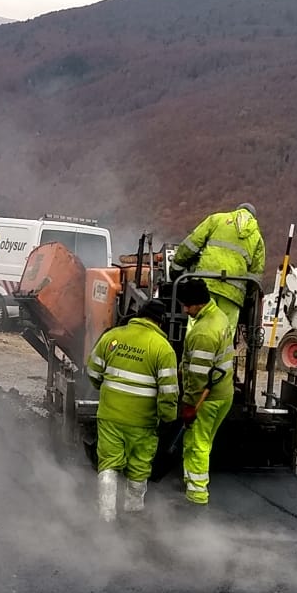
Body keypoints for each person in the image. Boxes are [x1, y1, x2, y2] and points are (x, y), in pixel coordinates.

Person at [85, 296, 179, 522]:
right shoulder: (163, 349)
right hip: (143, 422)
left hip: (110, 416)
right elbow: (169, 393)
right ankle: (133, 514)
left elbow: (93, 372)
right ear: (160, 322)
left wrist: (104, 389)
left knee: (109, 462)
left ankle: (106, 516)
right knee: (138, 466)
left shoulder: (113, 337)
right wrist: (168, 418)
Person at [174, 273, 234, 506]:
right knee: (202, 440)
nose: (185, 310)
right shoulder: (219, 316)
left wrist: (189, 405)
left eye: (187, 306)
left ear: (198, 303)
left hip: (207, 399)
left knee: (198, 443)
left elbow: (199, 376)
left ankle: (197, 494)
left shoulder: (203, 333)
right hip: (223, 393)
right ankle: (190, 480)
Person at [170, 202, 265, 334]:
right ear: (253, 218)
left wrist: (175, 268)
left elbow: (191, 245)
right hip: (232, 294)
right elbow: (256, 274)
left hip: (204, 286)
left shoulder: (217, 220)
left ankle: (193, 354)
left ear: (236, 211)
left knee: (197, 329)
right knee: (225, 334)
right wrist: (244, 293)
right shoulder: (257, 238)